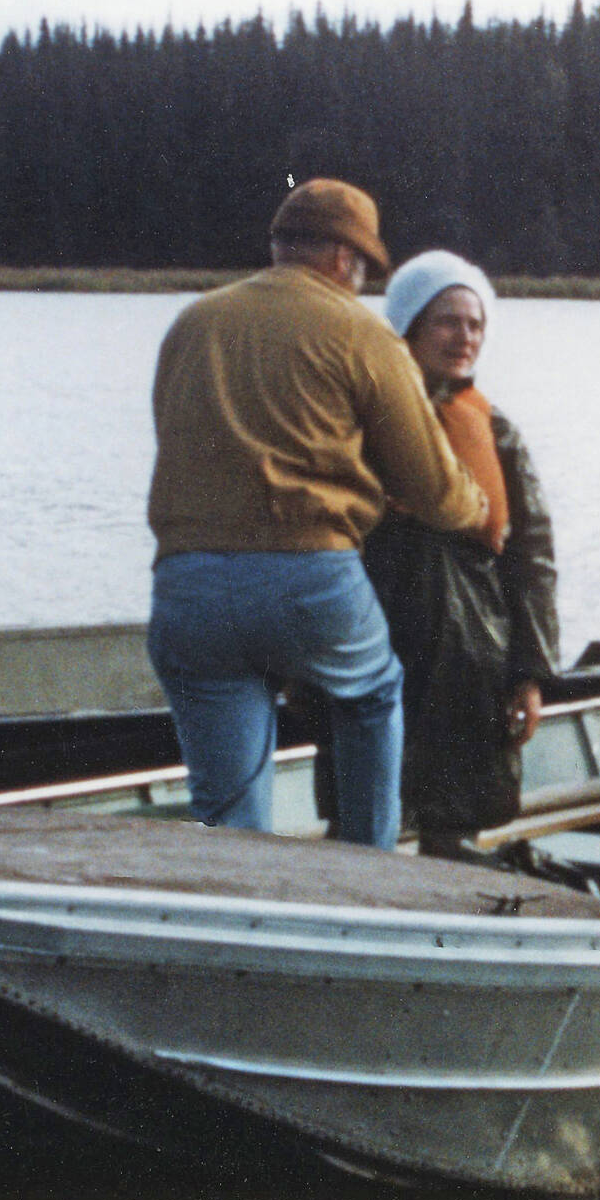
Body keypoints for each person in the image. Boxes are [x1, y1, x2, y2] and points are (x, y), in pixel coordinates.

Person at [146, 180, 487, 848]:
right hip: (307, 578)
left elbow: (176, 436)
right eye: (362, 270)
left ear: (279, 247)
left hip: (187, 585)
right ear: (341, 258)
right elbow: (434, 489)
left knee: (230, 813)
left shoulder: (193, 322)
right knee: (373, 693)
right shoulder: (362, 333)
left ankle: (239, 908)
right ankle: (366, 867)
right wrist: (474, 506)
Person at [343, 250, 561, 859]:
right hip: (374, 637)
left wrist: (530, 673)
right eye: (446, 321)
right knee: (359, 819)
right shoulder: (356, 419)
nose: (463, 337)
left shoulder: (497, 432)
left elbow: (533, 560)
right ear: (408, 326)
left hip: (472, 653)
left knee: (456, 821)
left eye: (475, 324)